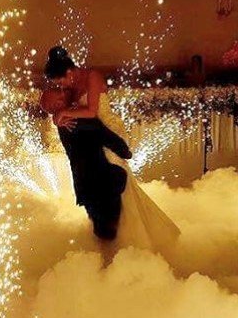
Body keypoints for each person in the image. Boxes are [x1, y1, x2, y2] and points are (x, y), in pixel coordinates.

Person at [44, 46, 180, 252]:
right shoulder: (70, 87)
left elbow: (91, 111)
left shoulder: (92, 77)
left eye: (60, 81)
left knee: (114, 179)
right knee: (99, 179)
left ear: (69, 72)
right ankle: (108, 231)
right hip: (91, 133)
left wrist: (65, 113)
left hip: (107, 128)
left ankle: (131, 237)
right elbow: (60, 108)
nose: (60, 86)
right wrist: (59, 117)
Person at [41, 88, 131, 251]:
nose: (64, 96)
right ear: (56, 105)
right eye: (59, 97)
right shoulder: (72, 120)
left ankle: (105, 258)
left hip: (87, 184)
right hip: (99, 181)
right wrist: (124, 151)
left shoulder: (64, 120)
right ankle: (110, 259)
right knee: (108, 230)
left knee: (103, 229)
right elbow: (101, 132)